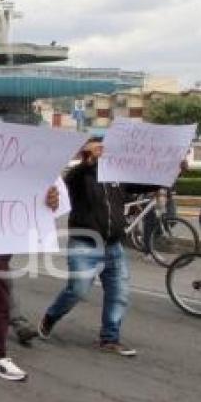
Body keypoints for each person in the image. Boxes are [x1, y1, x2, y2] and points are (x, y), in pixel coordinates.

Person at [37, 137, 158, 357]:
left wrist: (171, 171)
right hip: (85, 244)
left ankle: (109, 338)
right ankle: (51, 317)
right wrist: (87, 162)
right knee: (77, 290)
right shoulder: (79, 176)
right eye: (99, 149)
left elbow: (146, 184)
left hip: (113, 246)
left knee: (119, 293)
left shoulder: (118, 176)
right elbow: (70, 178)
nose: (105, 153)